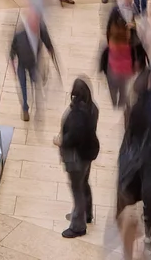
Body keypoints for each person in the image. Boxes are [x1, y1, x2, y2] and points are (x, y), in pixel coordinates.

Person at [114, 72, 151, 259]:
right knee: (149, 199)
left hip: (134, 157)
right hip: (147, 159)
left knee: (131, 194)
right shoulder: (145, 105)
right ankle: (147, 239)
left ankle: (136, 237)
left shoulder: (133, 107)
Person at [56, 77, 101, 238]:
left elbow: (73, 137)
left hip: (76, 158)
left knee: (77, 190)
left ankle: (78, 225)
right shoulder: (93, 108)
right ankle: (87, 214)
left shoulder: (77, 114)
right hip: (88, 154)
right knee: (84, 183)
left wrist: (61, 141)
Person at [8, 0, 59, 121]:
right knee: (23, 88)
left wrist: (52, 56)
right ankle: (25, 108)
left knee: (36, 85)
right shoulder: (20, 35)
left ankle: (37, 107)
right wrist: (12, 65)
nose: (35, 25)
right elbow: (12, 51)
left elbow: (48, 43)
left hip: (34, 64)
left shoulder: (41, 29)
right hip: (21, 65)